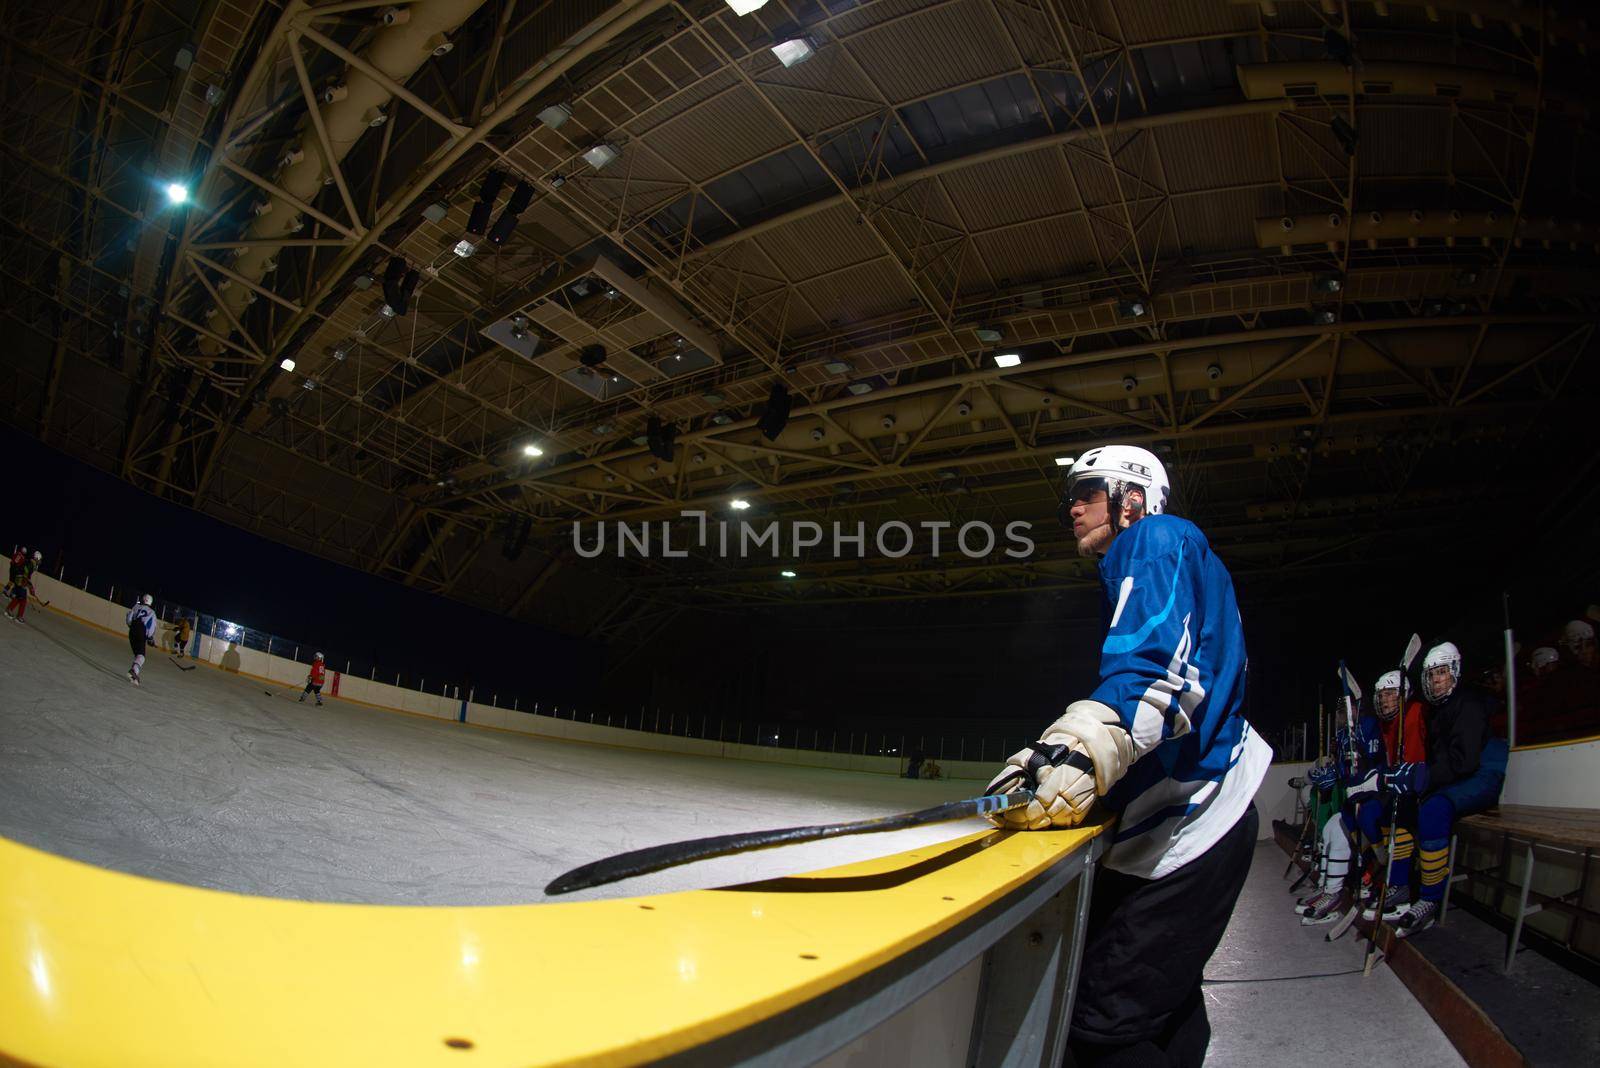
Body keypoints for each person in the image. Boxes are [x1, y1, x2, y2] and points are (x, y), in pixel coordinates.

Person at [984, 444, 1269, 1067]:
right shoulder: (1157, 560)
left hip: (1192, 825)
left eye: (1087, 492)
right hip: (1195, 824)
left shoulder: (1157, 538)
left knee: (1100, 1027)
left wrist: (1084, 746)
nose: (1073, 508)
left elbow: (1157, 672)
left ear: (1131, 497)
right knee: (1163, 1006)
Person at [1363, 641, 1506, 938]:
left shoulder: (1468, 704)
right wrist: (1413, 779)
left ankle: (1429, 898)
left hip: (1482, 775)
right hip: (1457, 775)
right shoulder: (1436, 710)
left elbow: (1464, 762)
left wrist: (1421, 777)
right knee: (1400, 806)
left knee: (1433, 808)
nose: (1435, 680)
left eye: (1440, 673)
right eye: (1430, 675)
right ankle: (1399, 886)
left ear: (1454, 671)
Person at [126, 594, 157, 685]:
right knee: (141, 656)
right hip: (141, 630)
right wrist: (150, 638)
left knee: (138, 655)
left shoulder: (136, 607)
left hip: (132, 630)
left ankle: (134, 673)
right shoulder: (151, 612)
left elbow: (129, 619)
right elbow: (151, 628)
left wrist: (132, 627)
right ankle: (133, 672)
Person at [5, 549, 40, 624]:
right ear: (36, 558)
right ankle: (19, 617)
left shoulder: (30, 562)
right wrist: (29, 586)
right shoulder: (31, 564)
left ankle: (9, 610)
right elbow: (25, 573)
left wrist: (30, 586)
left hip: (19, 580)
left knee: (18, 598)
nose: (39, 561)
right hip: (20, 581)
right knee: (23, 600)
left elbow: (27, 575)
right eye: (39, 559)